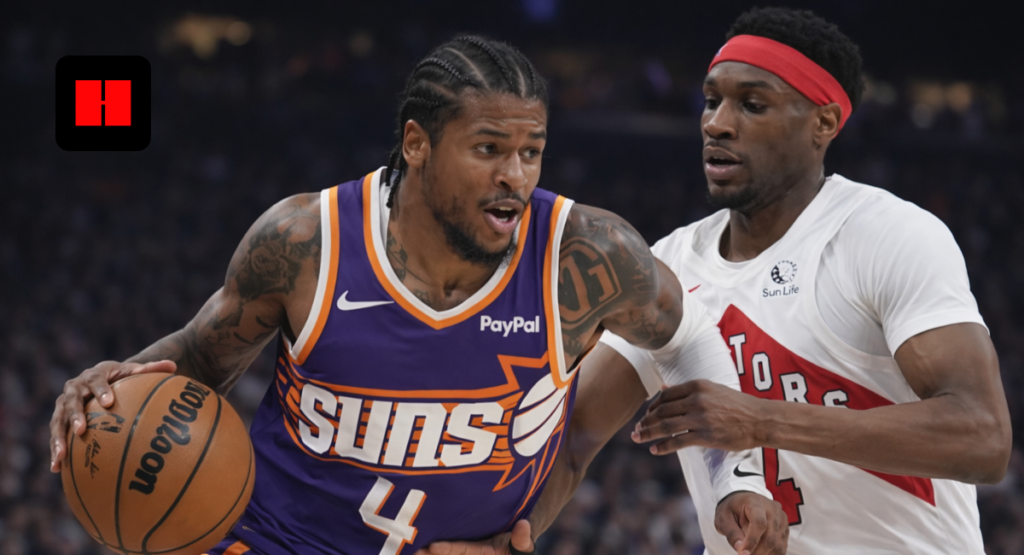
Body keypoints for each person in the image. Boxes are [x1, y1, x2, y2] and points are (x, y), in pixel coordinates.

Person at [48, 35, 786, 555]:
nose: (516, 176)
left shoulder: (585, 255)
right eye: (489, 148)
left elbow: (692, 335)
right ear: (416, 143)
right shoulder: (306, 241)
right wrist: (112, 377)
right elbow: (196, 357)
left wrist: (738, 476)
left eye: (531, 152)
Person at [608, 7, 1010, 555]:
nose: (716, 123)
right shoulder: (669, 265)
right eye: (711, 100)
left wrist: (761, 421)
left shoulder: (886, 234)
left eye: (752, 105)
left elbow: (983, 436)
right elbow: (572, 435)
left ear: (823, 123)